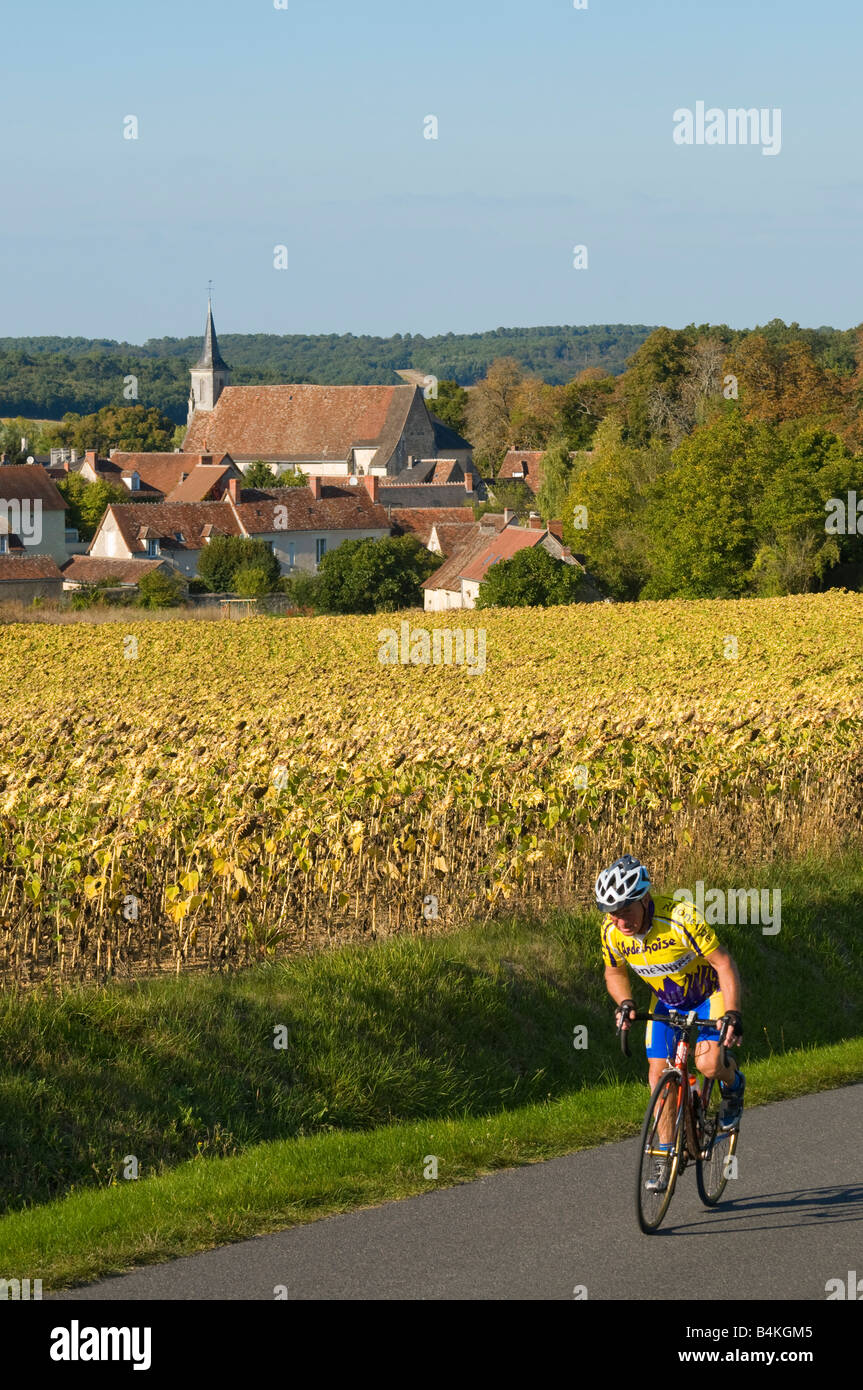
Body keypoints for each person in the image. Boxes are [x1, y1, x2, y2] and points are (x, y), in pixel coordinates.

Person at [596, 854, 745, 1193]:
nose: (621, 921)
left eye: (626, 910)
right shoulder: (612, 933)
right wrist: (625, 1002)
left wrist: (732, 1013)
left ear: (645, 898)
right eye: (613, 913)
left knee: (707, 1064)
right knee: (658, 1074)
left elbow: (723, 964)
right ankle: (665, 1155)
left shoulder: (681, 918)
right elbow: (614, 971)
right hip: (666, 1001)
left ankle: (732, 1084)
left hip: (709, 995)